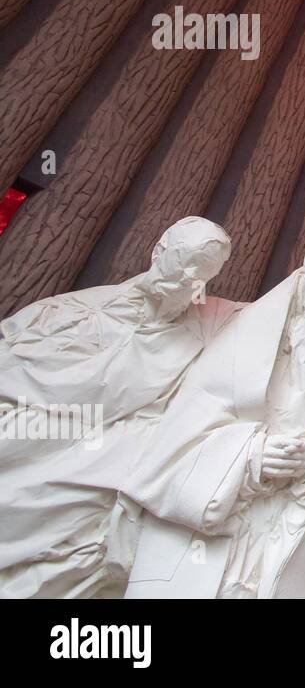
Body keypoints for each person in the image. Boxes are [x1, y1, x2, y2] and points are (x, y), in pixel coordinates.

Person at [123, 224, 305, 599]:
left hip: (290, 527)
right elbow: (180, 435)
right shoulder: (241, 330)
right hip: (222, 523)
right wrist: (250, 456)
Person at [0, 216, 238, 598]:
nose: (191, 278)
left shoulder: (204, 328)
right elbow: (19, 366)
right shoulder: (78, 312)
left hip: (109, 454)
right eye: (186, 261)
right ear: (159, 250)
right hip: (43, 429)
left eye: (203, 273)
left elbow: (277, 317)